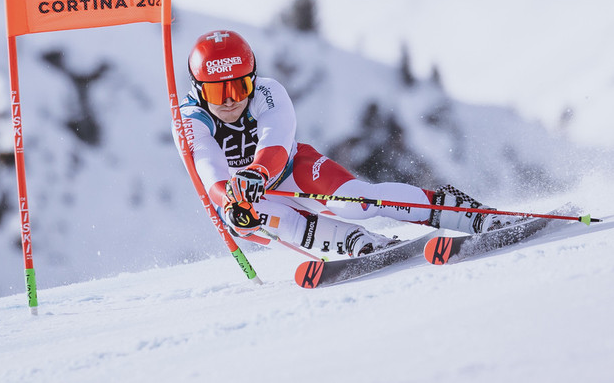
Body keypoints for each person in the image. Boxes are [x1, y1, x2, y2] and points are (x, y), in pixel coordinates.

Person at [174, 30, 520, 258]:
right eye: (219, 91)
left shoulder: (268, 92)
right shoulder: (189, 118)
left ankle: (463, 213)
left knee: (357, 202)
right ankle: (355, 242)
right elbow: (208, 171)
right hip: (248, 194)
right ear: (198, 90)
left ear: (253, 79)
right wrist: (231, 200)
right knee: (247, 217)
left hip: (292, 168)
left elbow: (276, 142)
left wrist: (257, 173)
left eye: (240, 87)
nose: (232, 100)